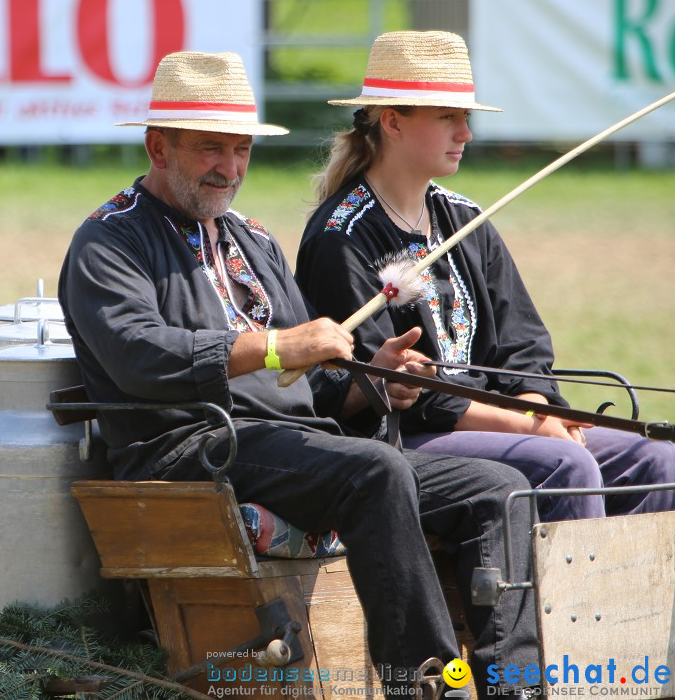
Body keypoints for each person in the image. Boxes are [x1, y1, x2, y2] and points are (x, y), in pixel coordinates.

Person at [59, 50, 539, 697]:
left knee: (499, 487)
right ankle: (427, 685)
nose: (229, 168)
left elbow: (313, 388)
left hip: (292, 446)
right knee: (378, 471)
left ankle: (517, 686)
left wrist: (375, 381)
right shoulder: (109, 241)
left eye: (241, 150)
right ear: (157, 146)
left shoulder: (252, 240)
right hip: (191, 447)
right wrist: (279, 344)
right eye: (209, 149)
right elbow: (141, 357)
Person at [294, 31, 675, 522]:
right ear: (393, 122)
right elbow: (388, 388)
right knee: (565, 464)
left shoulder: (467, 220)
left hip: (503, 423)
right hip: (402, 439)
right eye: (447, 118)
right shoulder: (340, 235)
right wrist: (527, 427)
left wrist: (538, 409)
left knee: (657, 459)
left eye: (466, 118)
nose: (465, 134)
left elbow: (525, 348)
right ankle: (558, 603)